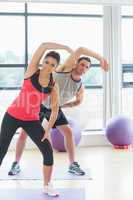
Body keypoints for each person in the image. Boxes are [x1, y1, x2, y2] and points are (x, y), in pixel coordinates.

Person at [8, 46, 109, 177]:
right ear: (76, 64)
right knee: (24, 133)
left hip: (54, 107)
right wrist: (101, 58)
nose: (83, 68)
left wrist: (64, 105)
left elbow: (79, 101)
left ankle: (73, 164)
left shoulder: (80, 86)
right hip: (38, 104)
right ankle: (16, 163)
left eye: (87, 67)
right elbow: (80, 50)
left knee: (68, 132)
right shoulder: (64, 70)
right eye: (82, 64)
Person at [0, 42, 73, 197]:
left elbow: (54, 110)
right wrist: (66, 48)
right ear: (42, 61)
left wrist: (47, 130)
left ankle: (47, 186)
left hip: (31, 120)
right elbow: (44, 46)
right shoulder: (31, 71)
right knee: (2, 149)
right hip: (12, 116)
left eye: (53, 65)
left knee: (47, 150)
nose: (48, 66)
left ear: (55, 68)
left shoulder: (53, 85)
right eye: (47, 62)